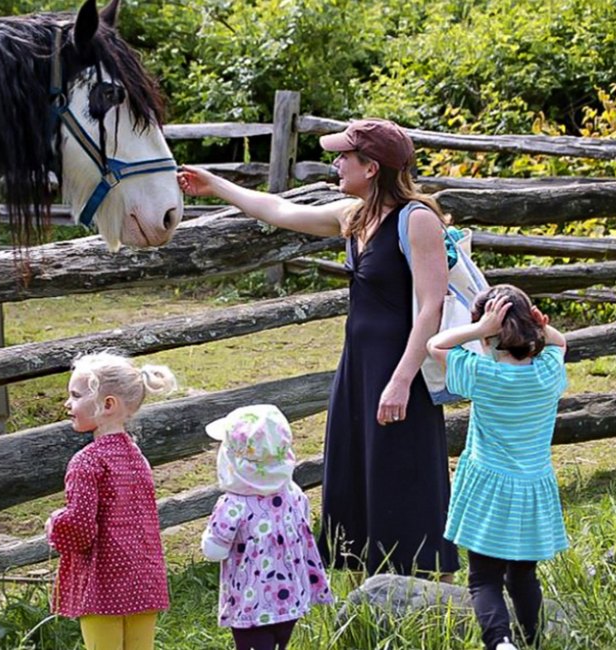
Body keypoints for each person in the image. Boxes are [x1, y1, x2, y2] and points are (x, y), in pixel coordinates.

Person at [179, 118, 460, 579]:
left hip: (398, 368)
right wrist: (216, 185)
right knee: (356, 464)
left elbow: (430, 307)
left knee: (405, 470)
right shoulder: (354, 215)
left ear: (371, 167)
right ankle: (373, 579)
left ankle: (429, 583)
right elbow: (278, 210)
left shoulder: (418, 219)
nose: (336, 163)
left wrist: (402, 380)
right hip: (358, 366)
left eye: (344, 156)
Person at [427, 285, 568, 650]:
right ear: (530, 325)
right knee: (523, 575)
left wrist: (478, 329)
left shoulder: (482, 375)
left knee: (483, 579)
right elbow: (560, 342)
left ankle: (500, 642)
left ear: (487, 336)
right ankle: (531, 641)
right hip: (532, 487)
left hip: (489, 487)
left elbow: (436, 345)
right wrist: (539, 326)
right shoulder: (548, 372)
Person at [45, 351, 178, 650]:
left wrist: (54, 524)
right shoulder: (137, 457)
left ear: (107, 405)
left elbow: (80, 528)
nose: (68, 403)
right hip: (145, 579)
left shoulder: (87, 462)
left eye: (76, 395)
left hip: (103, 583)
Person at [200, 404, 334, 650]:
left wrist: (209, 536)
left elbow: (214, 551)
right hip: (290, 600)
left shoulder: (233, 505)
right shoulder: (293, 494)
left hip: (252, 606)